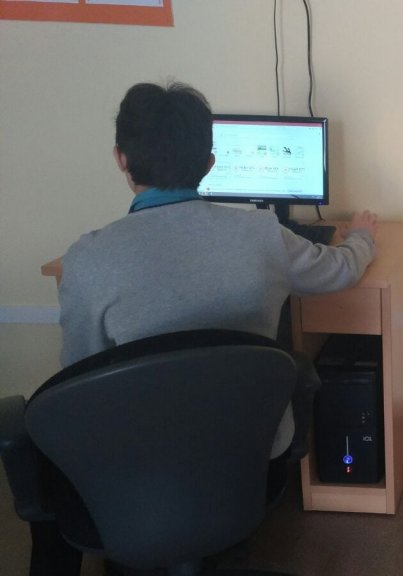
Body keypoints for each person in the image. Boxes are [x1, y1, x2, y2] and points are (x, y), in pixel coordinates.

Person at [31, 81, 378, 576]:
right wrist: (362, 237)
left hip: (132, 477)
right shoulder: (262, 235)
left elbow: (79, 378)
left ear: (121, 159)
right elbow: (340, 270)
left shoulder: (87, 260)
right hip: (247, 459)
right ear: (211, 162)